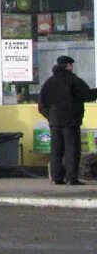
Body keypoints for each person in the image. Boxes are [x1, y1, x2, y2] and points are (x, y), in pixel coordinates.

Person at [37, 55, 97, 185]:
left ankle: (57, 178)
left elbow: (41, 105)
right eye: (71, 65)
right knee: (72, 149)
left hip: (55, 123)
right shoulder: (73, 80)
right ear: (68, 66)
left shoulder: (49, 82)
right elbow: (87, 95)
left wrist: (50, 117)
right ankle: (71, 178)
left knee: (56, 150)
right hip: (71, 122)